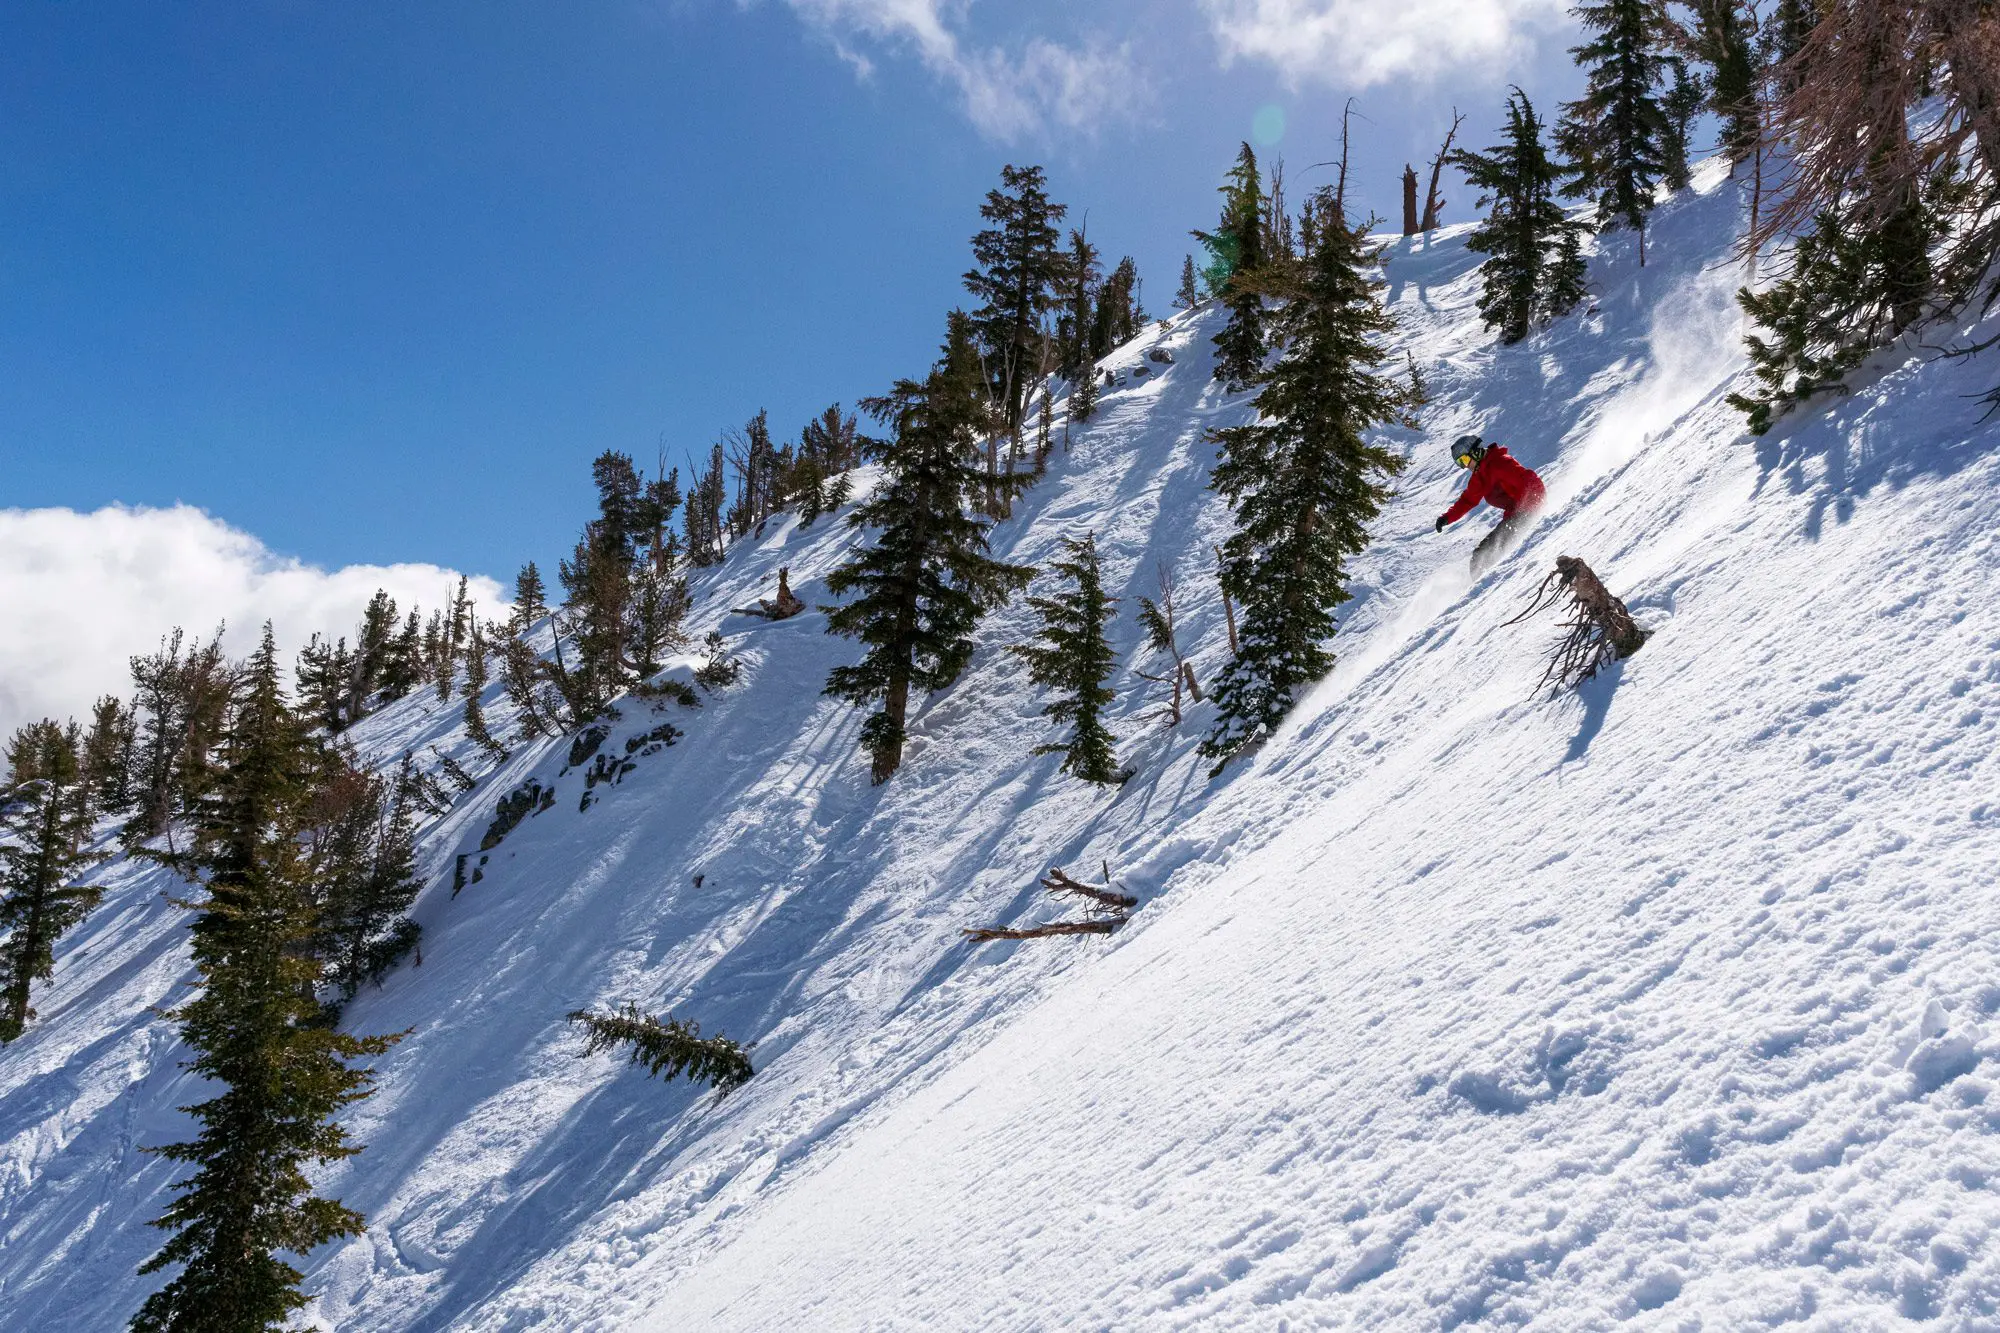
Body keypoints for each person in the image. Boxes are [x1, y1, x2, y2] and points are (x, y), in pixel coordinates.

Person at [1434, 433, 1546, 576]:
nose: (1465, 466)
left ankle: (1489, 587)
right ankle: (1479, 589)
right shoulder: (1480, 475)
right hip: (1514, 517)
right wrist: (1447, 518)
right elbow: (1468, 500)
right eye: (1460, 463)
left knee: (1483, 556)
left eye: (1465, 459)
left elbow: (1531, 481)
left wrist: (1533, 508)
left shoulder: (1500, 463)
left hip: (1527, 513)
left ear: (1475, 452)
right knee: (1480, 555)